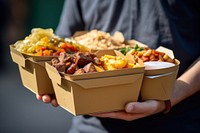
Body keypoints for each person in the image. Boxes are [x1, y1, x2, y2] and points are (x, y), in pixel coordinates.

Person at [37, 0, 200, 132]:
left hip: (178, 121)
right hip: (91, 125)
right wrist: (55, 84)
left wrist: (170, 96)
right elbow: (65, 41)